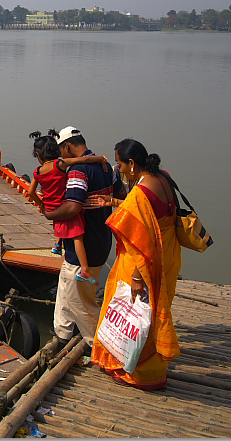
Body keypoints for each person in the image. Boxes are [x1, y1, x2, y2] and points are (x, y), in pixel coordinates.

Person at [87, 139, 181, 390]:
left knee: (133, 313)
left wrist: (139, 277)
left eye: (119, 164)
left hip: (142, 262)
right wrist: (115, 203)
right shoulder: (163, 178)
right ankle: (152, 369)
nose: (117, 169)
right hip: (168, 255)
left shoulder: (140, 193)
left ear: (131, 164)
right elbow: (155, 213)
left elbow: (142, 240)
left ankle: (135, 372)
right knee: (153, 311)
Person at [41, 126, 125, 352]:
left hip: (84, 244)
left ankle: (98, 345)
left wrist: (49, 214)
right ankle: (63, 332)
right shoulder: (107, 166)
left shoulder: (79, 171)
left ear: (67, 146)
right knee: (66, 285)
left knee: (81, 300)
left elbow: (73, 206)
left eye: (61, 150)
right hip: (102, 239)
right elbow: (121, 195)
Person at [27, 130, 110, 284]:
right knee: (77, 236)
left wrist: (42, 205)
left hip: (51, 208)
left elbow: (31, 192)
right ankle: (85, 270)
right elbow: (83, 161)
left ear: (39, 156)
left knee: (64, 228)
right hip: (64, 207)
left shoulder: (37, 172)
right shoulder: (60, 165)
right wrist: (101, 159)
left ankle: (58, 245)